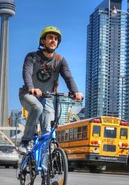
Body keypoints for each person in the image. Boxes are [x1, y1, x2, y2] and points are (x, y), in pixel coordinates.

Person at [18, 26, 83, 154]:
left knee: (48, 131)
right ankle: (25, 142)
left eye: (55, 39)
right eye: (50, 38)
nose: (53, 40)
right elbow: (27, 72)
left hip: (47, 98)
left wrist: (75, 91)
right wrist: (32, 88)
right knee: (37, 108)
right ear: (43, 41)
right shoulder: (32, 57)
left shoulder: (60, 60)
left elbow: (68, 76)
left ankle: (45, 167)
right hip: (27, 94)